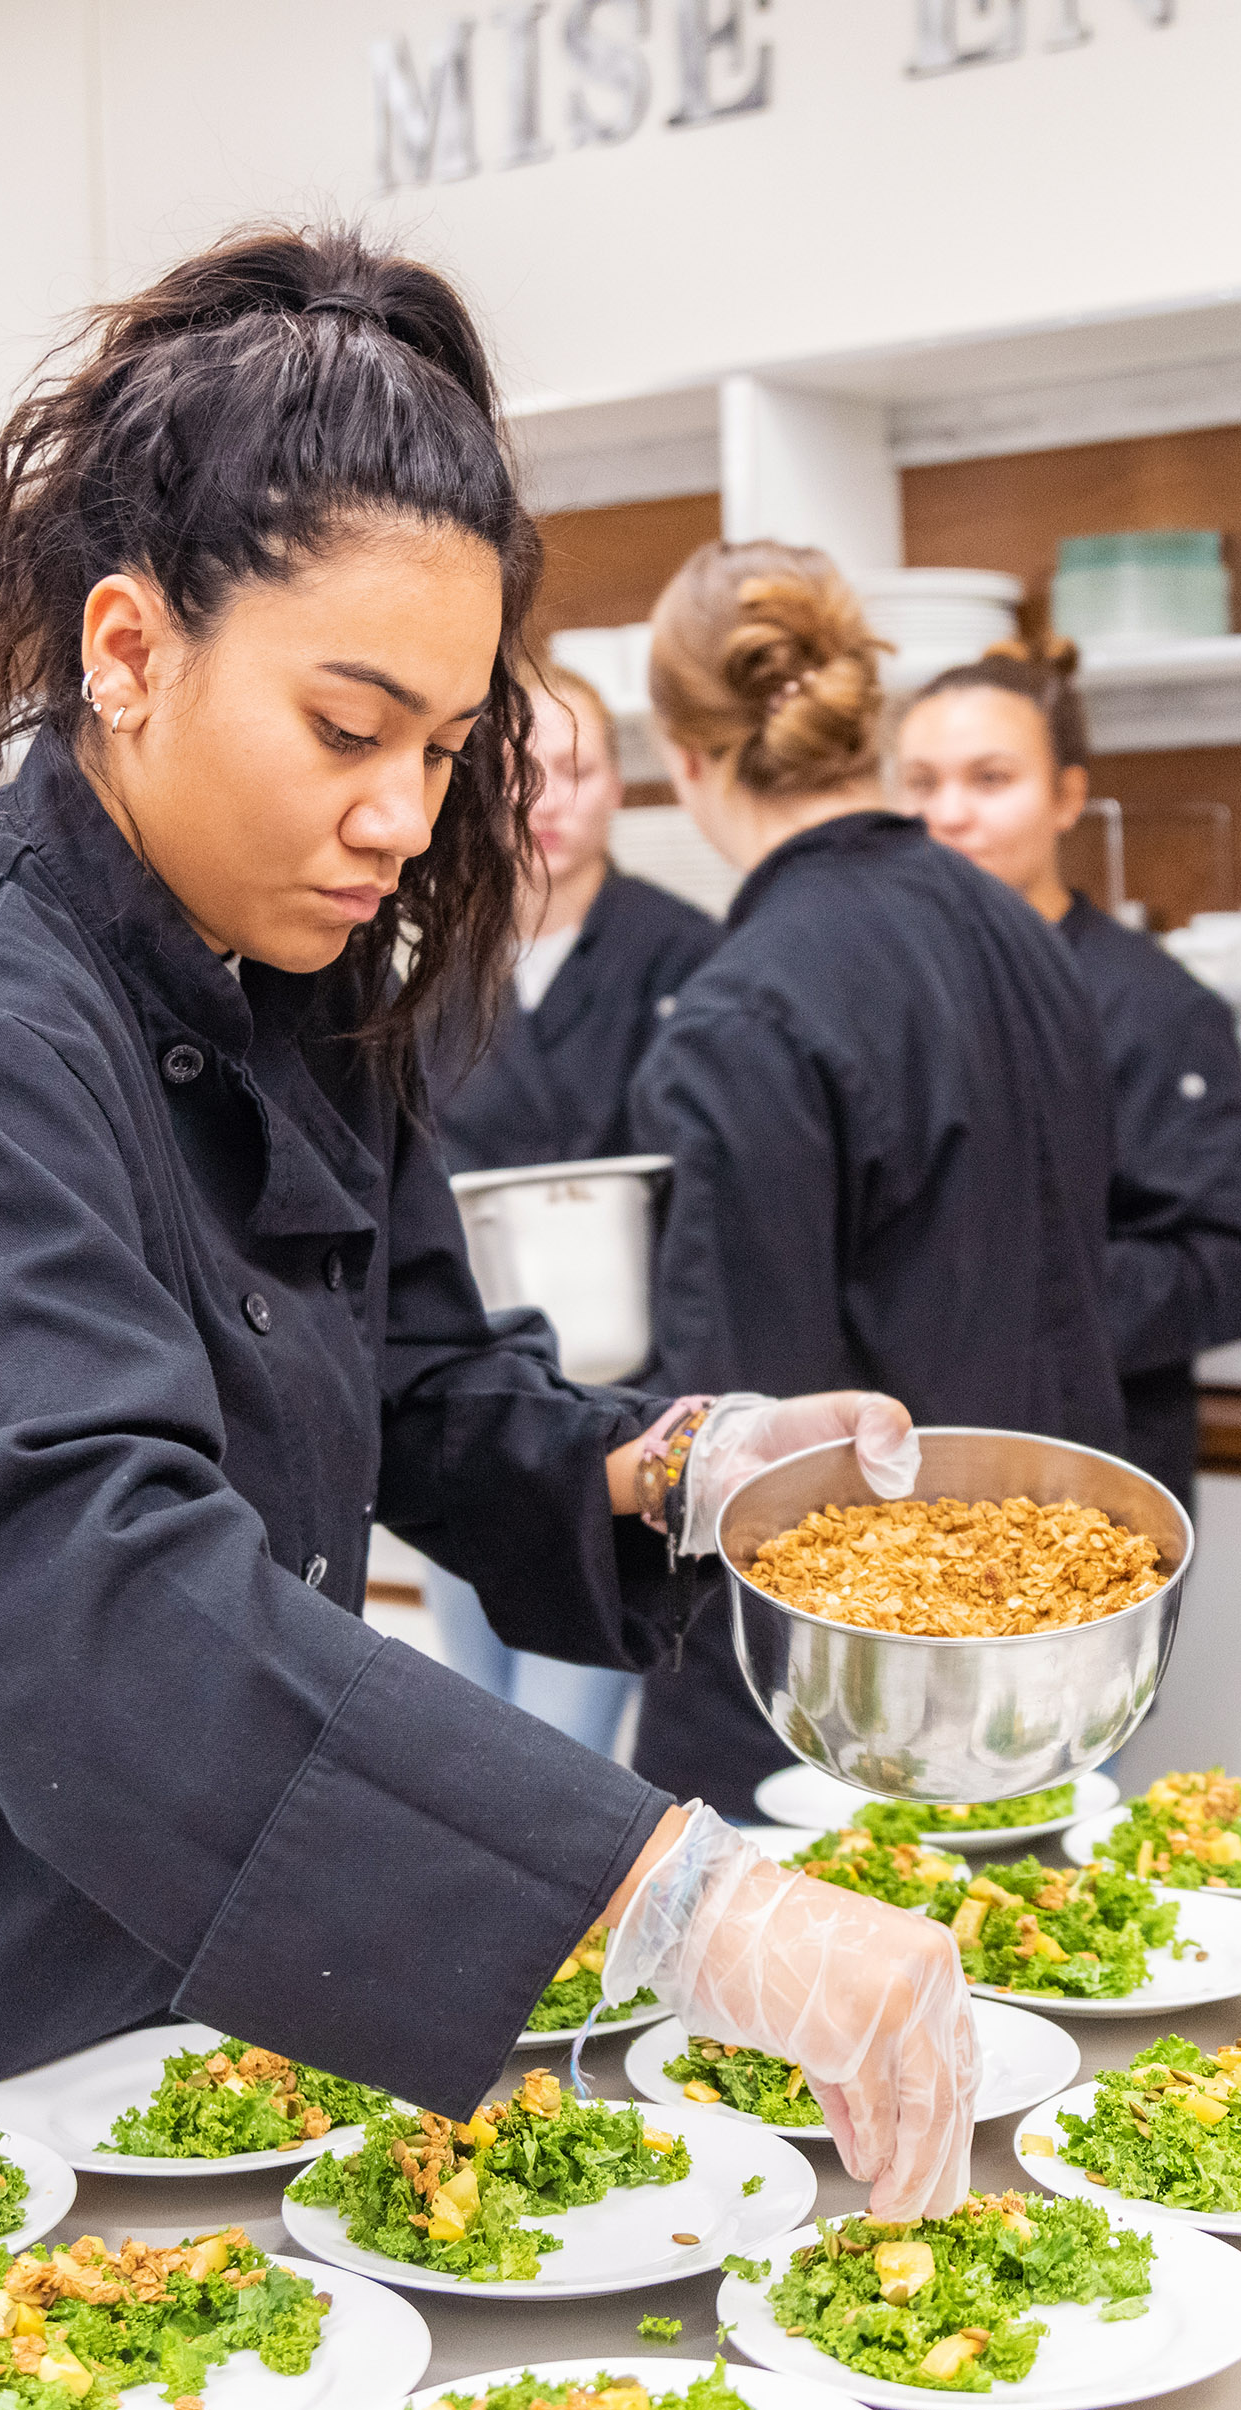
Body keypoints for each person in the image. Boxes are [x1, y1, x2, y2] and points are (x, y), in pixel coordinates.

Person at [0, 228, 975, 2220]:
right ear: (125, 652)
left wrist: (681, 1473)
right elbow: (97, 1602)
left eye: (444, 748)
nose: (396, 813)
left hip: (190, 2044)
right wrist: (679, 1900)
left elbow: (425, 1379)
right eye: (345, 730)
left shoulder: (287, 980)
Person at [620, 545, 1128, 1814]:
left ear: (686, 754)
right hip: (1047, 1628)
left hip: (847, 1697)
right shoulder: (1021, 929)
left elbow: (747, 1425)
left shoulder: (745, 1010)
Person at [413, 655, 723, 1753]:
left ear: (621, 786)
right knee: (482, 1716)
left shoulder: (689, 955)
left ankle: (555, 1926)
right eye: (516, 771)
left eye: (576, 769)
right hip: (465, 1391)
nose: (547, 798)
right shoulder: (431, 960)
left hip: (623, 1398)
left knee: (562, 1739)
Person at [894, 640, 1241, 1506]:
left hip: (1088, 1468)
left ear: (1068, 796)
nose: (949, 814)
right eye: (922, 784)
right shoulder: (882, 996)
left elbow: (1231, 1262)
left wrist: (992, 1299)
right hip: (900, 1469)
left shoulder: (1154, 1005)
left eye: (990, 780)